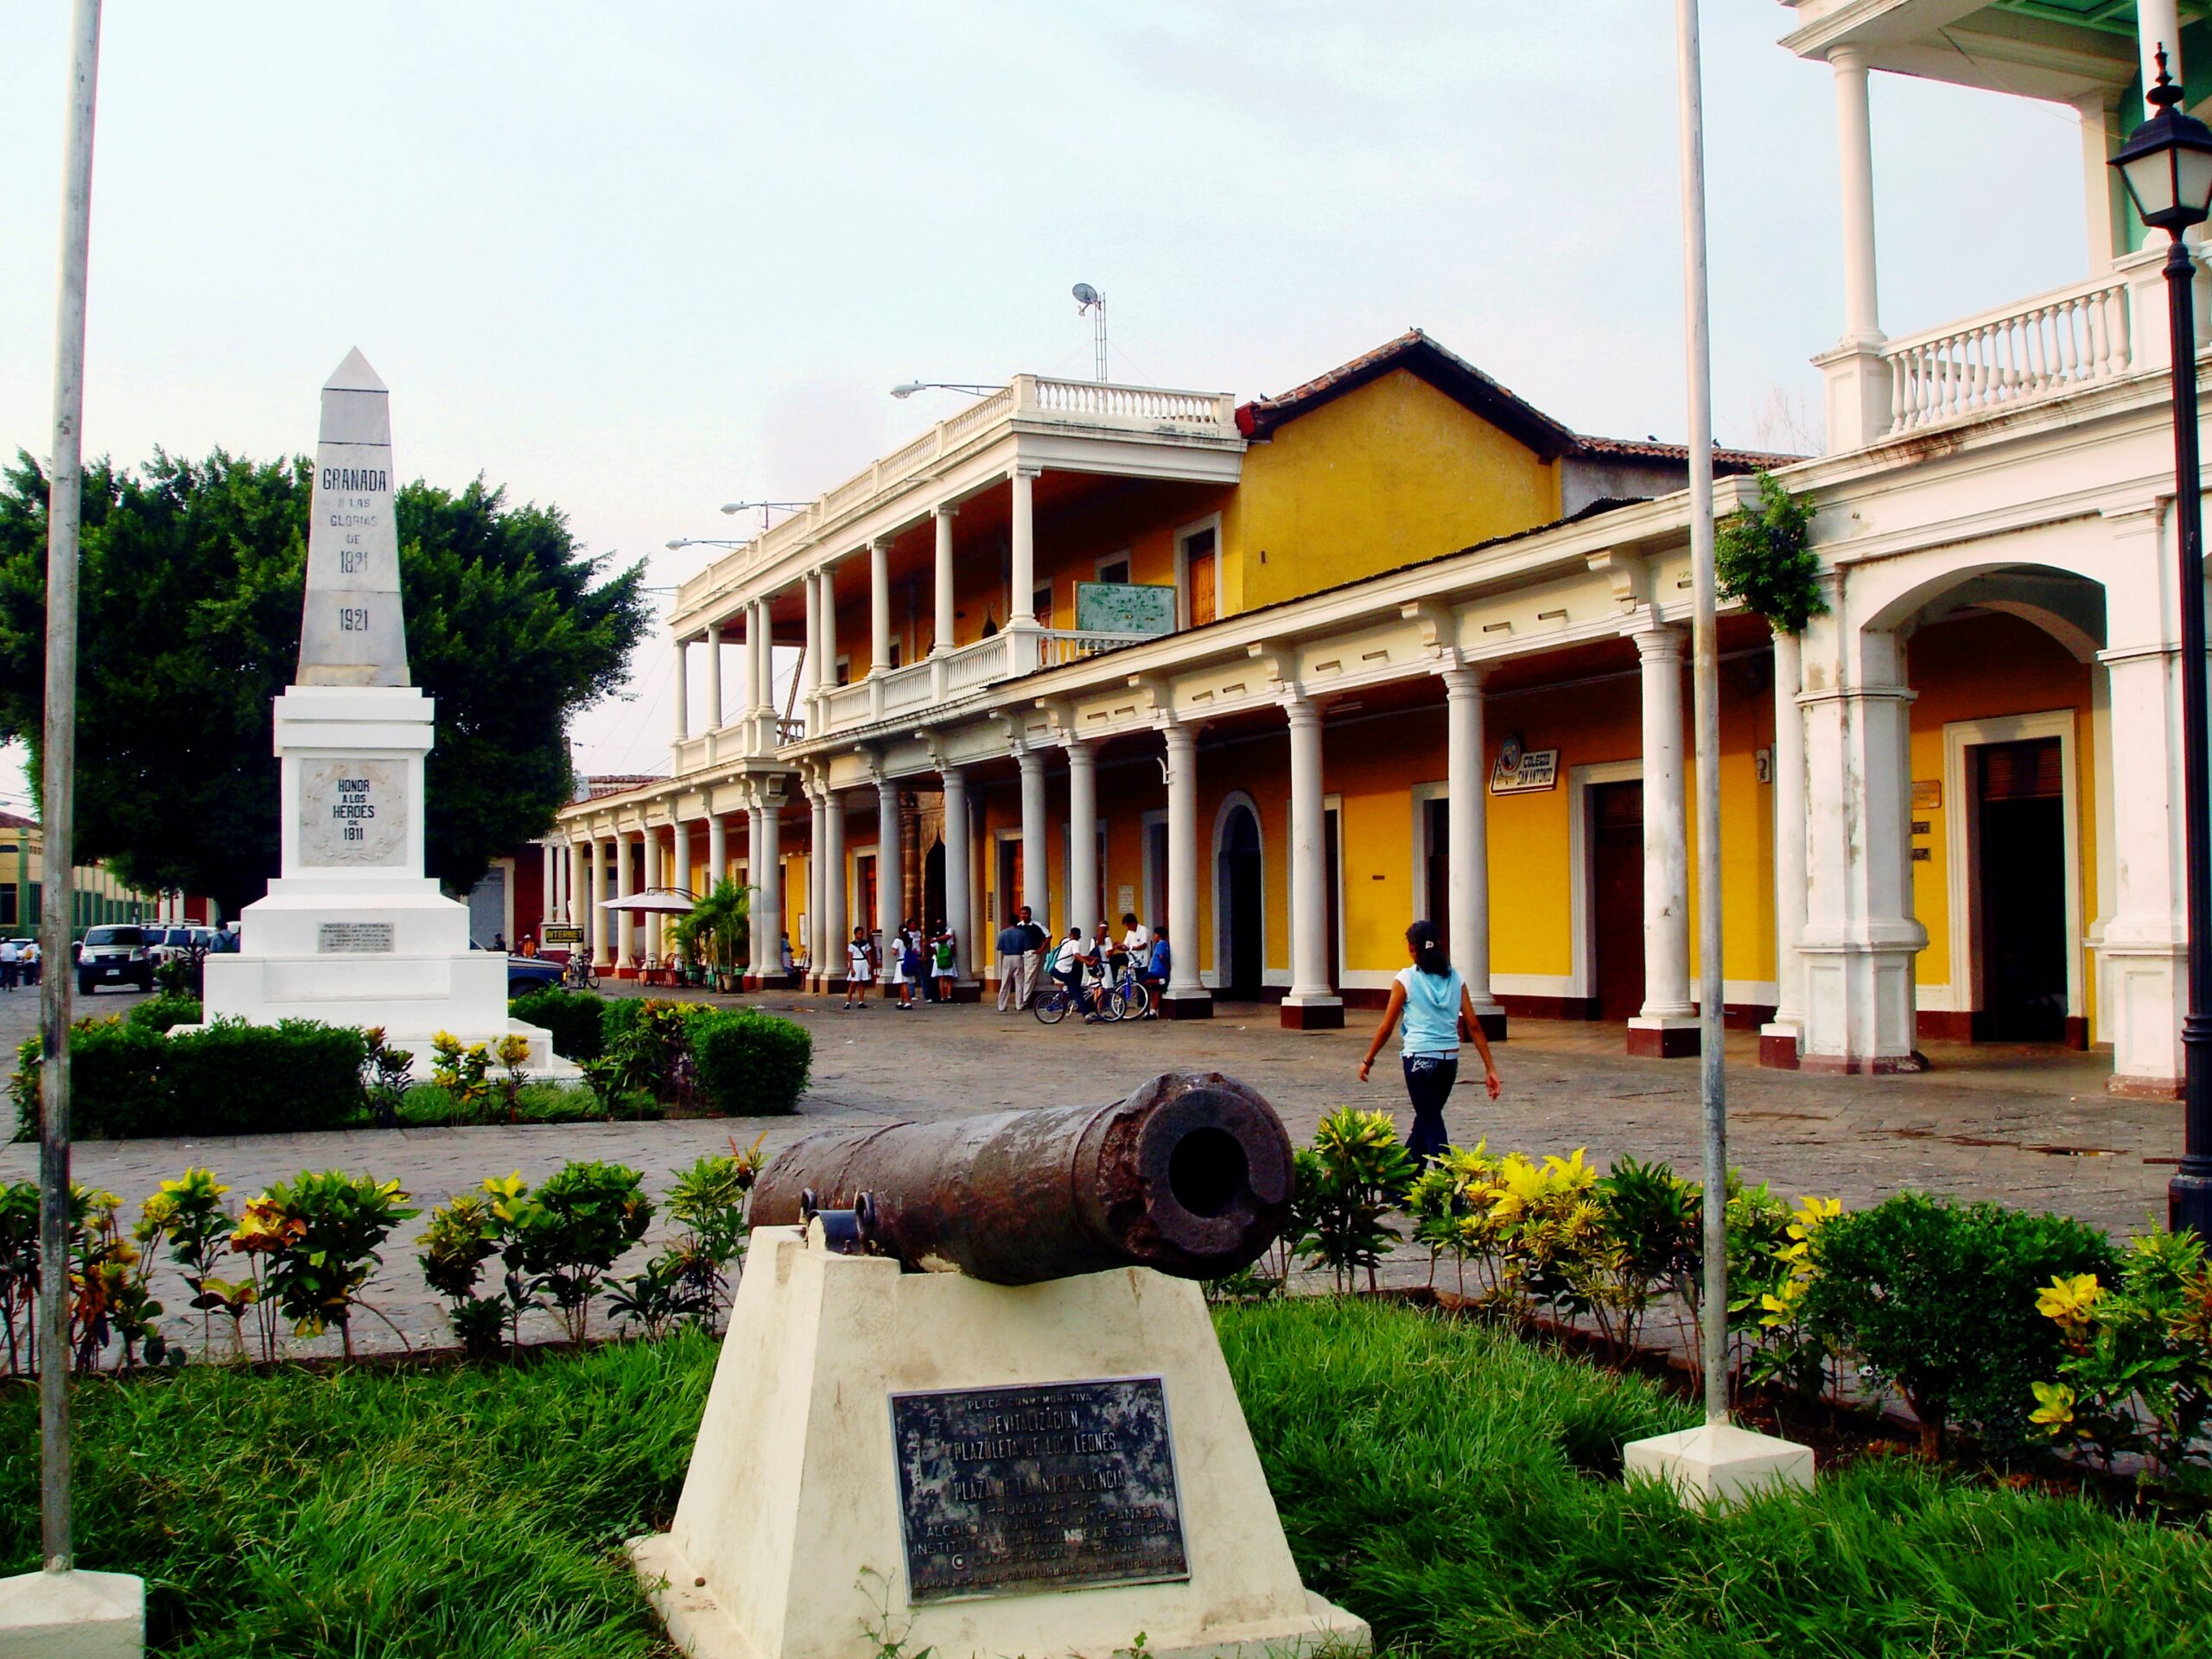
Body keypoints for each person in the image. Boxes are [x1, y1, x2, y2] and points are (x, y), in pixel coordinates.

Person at [1357, 919, 1503, 1167]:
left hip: (1419, 1061)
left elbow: (1386, 1027)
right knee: (1426, 1120)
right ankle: (1402, 1186)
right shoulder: (1456, 979)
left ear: (1412, 948)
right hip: (1448, 1062)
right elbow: (1474, 1025)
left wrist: (1368, 1060)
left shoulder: (1405, 980)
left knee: (1432, 1125)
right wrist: (1490, 1068)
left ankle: (1451, 1190)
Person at [1016, 906, 1050, 1009]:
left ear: (1029, 914)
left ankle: (1024, 1000)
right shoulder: (1019, 926)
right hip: (1020, 953)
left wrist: (1041, 949)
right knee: (1019, 977)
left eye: (1025, 913)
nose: (1024, 915)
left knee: (1029, 977)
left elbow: (1048, 936)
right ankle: (1019, 1001)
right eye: (1022, 913)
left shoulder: (1037, 925)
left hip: (1032, 952)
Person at [994, 915, 1029, 1012]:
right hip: (1018, 956)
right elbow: (1026, 947)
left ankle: (1002, 1005)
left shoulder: (1003, 933)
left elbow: (999, 947)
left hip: (1007, 957)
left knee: (1005, 982)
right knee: (1019, 982)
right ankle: (1019, 1004)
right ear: (1017, 922)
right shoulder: (1022, 933)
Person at [1141, 925, 1170, 1018]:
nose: (1154, 936)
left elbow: (1161, 956)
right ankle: (1153, 1011)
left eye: (1155, 934)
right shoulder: (1164, 944)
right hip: (1159, 970)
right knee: (1156, 991)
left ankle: (1160, 981)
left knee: (1141, 981)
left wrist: (1165, 965)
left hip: (1157, 971)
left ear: (1158, 935)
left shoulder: (1161, 944)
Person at [843, 925, 874, 1009]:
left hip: (863, 962)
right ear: (855, 934)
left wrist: (869, 965)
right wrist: (851, 968)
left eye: (862, 933)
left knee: (862, 983)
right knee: (853, 983)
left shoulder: (865, 943)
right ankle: (847, 1002)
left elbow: (868, 954)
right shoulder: (852, 945)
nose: (861, 935)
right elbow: (850, 956)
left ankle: (861, 1001)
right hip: (856, 962)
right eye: (859, 933)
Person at [893, 918, 922, 1010]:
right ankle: (901, 1001)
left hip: (901, 961)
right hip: (908, 961)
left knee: (903, 983)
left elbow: (894, 952)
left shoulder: (898, 940)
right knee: (906, 981)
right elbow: (914, 950)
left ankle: (908, 1002)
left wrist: (895, 951)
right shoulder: (911, 940)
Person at [930, 922, 957, 1003]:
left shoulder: (934, 940)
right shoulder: (949, 939)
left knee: (941, 980)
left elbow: (934, 952)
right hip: (948, 959)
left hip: (939, 961)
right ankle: (949, 996)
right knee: (949, 979)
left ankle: (942, 997)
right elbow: (953, 950)